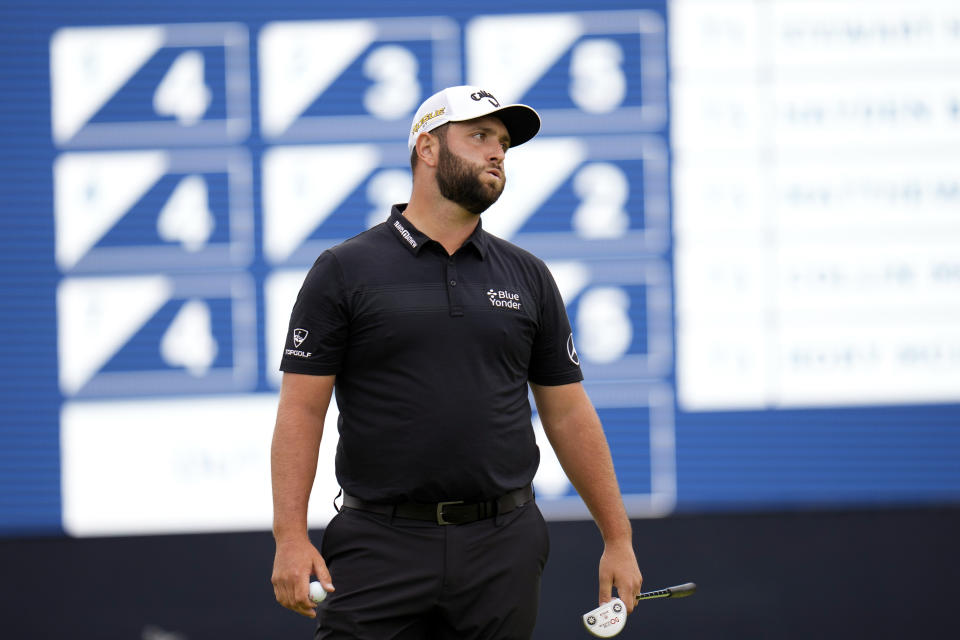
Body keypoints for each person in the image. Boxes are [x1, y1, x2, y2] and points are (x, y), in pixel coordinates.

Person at [270, 85, 643, 639]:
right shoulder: (344, 270)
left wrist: (618, 539)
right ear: (427, 149)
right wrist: (290, 538)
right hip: (379, 540)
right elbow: (302, 411)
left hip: (503, 543)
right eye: (479, 136)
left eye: (503, 143)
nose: (497, 152)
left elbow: (567, 414)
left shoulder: (528, 275)